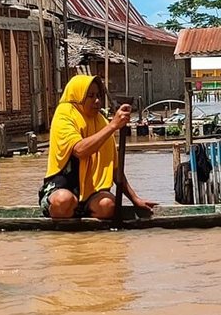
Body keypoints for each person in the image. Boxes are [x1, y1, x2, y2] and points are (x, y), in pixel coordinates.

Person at [41, 75, 156, 220]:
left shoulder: (100, 120)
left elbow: (113, 167)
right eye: (90, 96)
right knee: (64, 201)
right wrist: (113, 126)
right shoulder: (64, 114)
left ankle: (89, 228)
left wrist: (134, 199)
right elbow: (80, 150)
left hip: (91, 193)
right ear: (78, 96)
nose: (97, 101)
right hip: (62, 188)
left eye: (98, 96)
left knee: (107, 205)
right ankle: (66, 238)